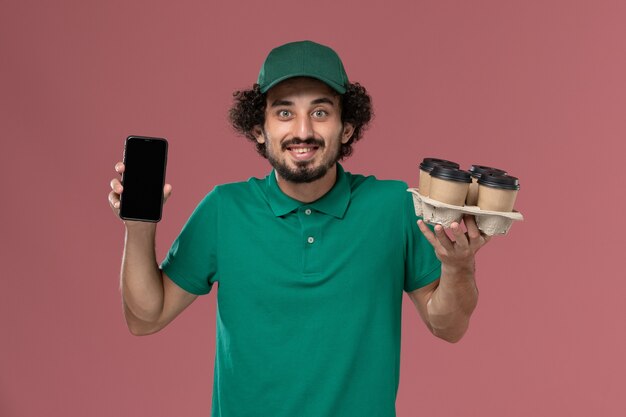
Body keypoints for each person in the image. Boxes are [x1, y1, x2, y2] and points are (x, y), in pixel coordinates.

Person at [108, 40, 490, 417]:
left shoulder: (393, 207)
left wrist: (459, 266)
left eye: (321, 112)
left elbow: (450, 327)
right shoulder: (225, 209)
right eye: (285, 113)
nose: (303, 131)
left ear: (346, 129)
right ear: (260, 129)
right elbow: (145, 318)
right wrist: (139, 225)